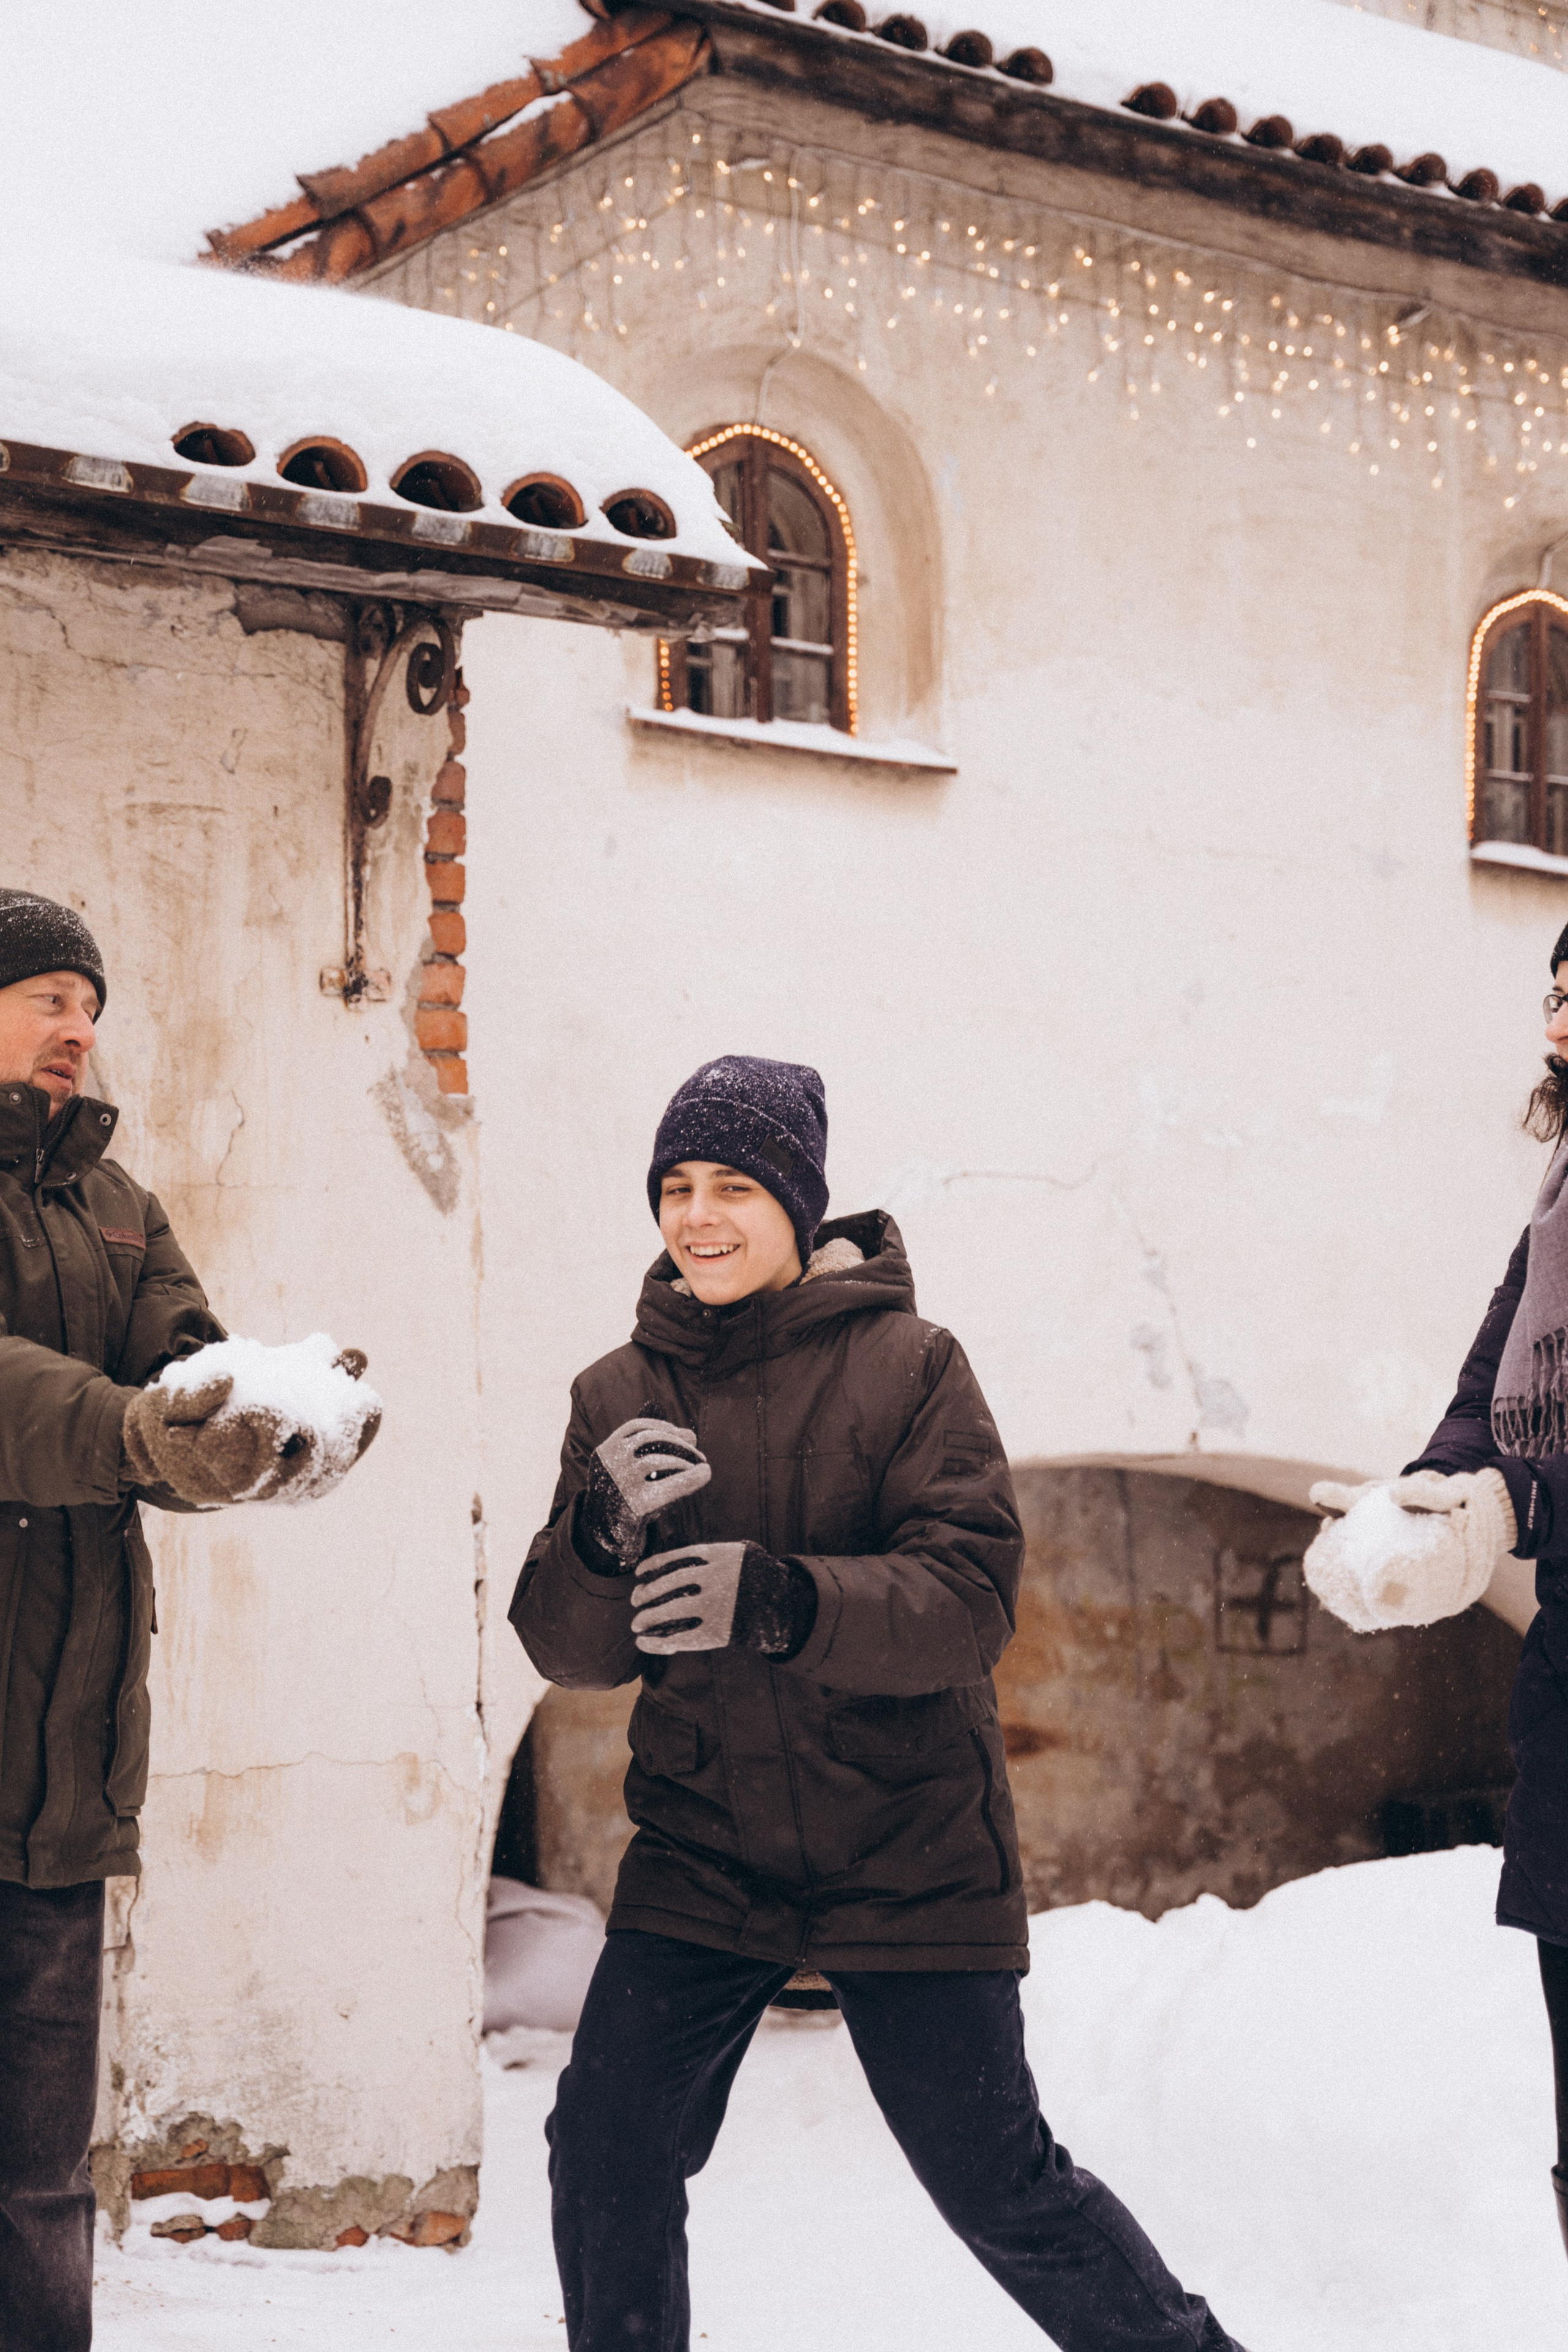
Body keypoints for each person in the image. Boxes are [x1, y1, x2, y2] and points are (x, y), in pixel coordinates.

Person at [511, 1054, 1249, 2352]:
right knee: (608, 2143)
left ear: (798, 1204)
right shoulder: (615, 1394)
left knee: (999, 2183)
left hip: (907, 1845)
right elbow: (571, 1653)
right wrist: (596, 1533)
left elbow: (969, 1600)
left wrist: (784, 1599)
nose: (697, 1216)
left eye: (733, 1186)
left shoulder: (911, 1367)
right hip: (703, 1849)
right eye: (675, 1188)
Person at [0, 888, 377, 2351]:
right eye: (48, 996)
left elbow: (181, 1385)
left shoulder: (120, 1206)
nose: (78, 1027)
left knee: (40, 2182)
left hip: (63, 1775)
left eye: (90, 1006)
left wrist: (268, 1422)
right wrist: (138, 1430)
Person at [1351, 919, 1568, 2265]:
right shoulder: (1556, 1203)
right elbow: (1489, 1382)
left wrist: (1526, 1502)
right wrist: (1429, 1499)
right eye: (1554, 994)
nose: (1557, 1024)